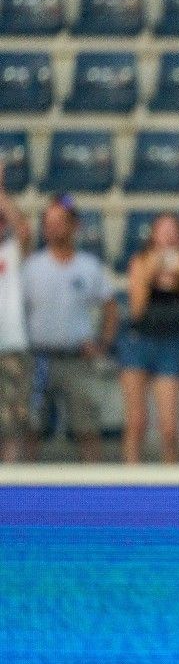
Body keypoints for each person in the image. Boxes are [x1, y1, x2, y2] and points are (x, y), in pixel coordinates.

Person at [22, 195, 117, 462]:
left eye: (59, 221)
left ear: (74, 226)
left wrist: (102, 344)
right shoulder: (31, 268)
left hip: (78, 358)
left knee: (87, 430)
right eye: (48, 222)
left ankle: (95, 486)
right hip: (38, 359)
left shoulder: (89, 266)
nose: (52, 228)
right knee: (30, 430)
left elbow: (110, 307)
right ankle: (25, 488)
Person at [118, 213, 179, 464]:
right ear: (153, 235)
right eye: (163, 230)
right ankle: (130, 480)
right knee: (136, 423)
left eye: (173, 230)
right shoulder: (140, 261)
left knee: (169, 429)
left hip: (170, 343)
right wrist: (151, 271)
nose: (168, 235)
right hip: (138, 342)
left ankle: (172, 479)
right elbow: (136, 309)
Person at [0, 162, 32, 462]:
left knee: (12, 423)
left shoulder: (11, 252)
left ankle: (9, 482)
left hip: (10, 348)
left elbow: (23, 229)